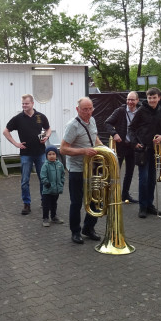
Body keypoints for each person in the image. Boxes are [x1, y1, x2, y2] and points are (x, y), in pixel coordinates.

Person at [60, 97, 104, 245]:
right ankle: (75, 232)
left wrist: (104, 149)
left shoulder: (92, 120)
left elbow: (94, 137)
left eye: (90, 109)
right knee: (77, 202)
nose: (88, 112)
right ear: (77, 109)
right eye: (85, 109)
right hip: (77, 169)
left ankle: (88, 228)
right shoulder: (72, 125)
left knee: (95, 199)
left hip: (92, 167)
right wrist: (83, 151)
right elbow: (63, 149)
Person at [2, 94, 52, 215]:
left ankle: (44, 201)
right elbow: (5, 131)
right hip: (26, 154)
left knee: (43, 178)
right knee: (25, 181)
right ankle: (26, 204)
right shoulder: (18, 118)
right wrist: (16, 143)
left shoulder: (40, 116)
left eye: (26, 103)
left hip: (40, 153)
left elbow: (48, 129)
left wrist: (47, 136)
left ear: (32, 103)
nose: (24, 106)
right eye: (23, 104)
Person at [128, 87, 161, 219]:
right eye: (149, 98)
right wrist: (135, 142)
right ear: (147, 98)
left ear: (159, 98)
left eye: (154, 97)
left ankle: (150, 205)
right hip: (143, 150)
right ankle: (142, 206)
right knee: (144, 179)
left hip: (155, 150)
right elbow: (131, 128)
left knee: (152, 179)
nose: (152, 100)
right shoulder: (141, 111)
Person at [105, 91, 140, 203]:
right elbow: (107, 123)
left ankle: (125, 195)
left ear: (137, 100)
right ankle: (109, 196)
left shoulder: (140, 112)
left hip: (132, 147)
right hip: (120, 146)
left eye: (132, 99)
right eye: (128, 99)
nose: (130, 102)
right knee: (114, 172)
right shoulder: (120, 111)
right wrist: (114, 134)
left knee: (130, 172)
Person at [39, 145, 65, 227]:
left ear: (56, 155)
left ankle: (54, 217)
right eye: (49, 154)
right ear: (46, 156)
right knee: (46, 205)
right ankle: (45, 218)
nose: (51, 156)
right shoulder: (45, 165)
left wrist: (61, 183)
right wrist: (46, 183)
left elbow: (63, 175)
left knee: (54, 204)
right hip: (47, 189)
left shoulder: (60, 165)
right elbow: (42, 176)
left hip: (56, 189)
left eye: (53, 154)